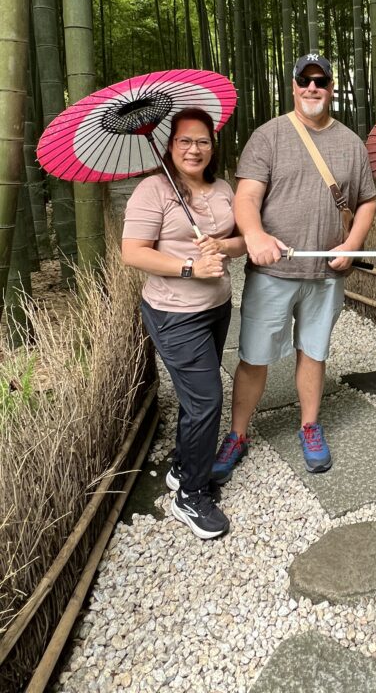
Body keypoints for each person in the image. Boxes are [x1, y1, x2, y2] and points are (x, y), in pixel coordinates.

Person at [212, 54, 376, 480]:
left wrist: (353, 244)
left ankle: (309, 425)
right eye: (305, 80)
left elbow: (367, 201)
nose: (312, 88)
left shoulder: (351, 143)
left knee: (314, 351)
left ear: (331, 87)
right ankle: (237, 433)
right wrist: (255, 236)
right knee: (254, 356)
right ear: (293, 85)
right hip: (273, 273)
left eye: (320, 81)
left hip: (326, 273)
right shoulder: (269, 135)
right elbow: (246, 198)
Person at [122, 109, 246, 540]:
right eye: (184, 141)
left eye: (203, 141)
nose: (194, 149)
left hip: (218, 306)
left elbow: (244, 239)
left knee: (200, 394)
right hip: (175, 312)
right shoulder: (152, 190)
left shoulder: (224, 187)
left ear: (213, 146)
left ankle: (181, 467)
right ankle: (190, 495)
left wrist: (222, 244)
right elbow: (134, 252)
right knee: (207, 400)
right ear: (170, 146)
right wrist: (191, 267)